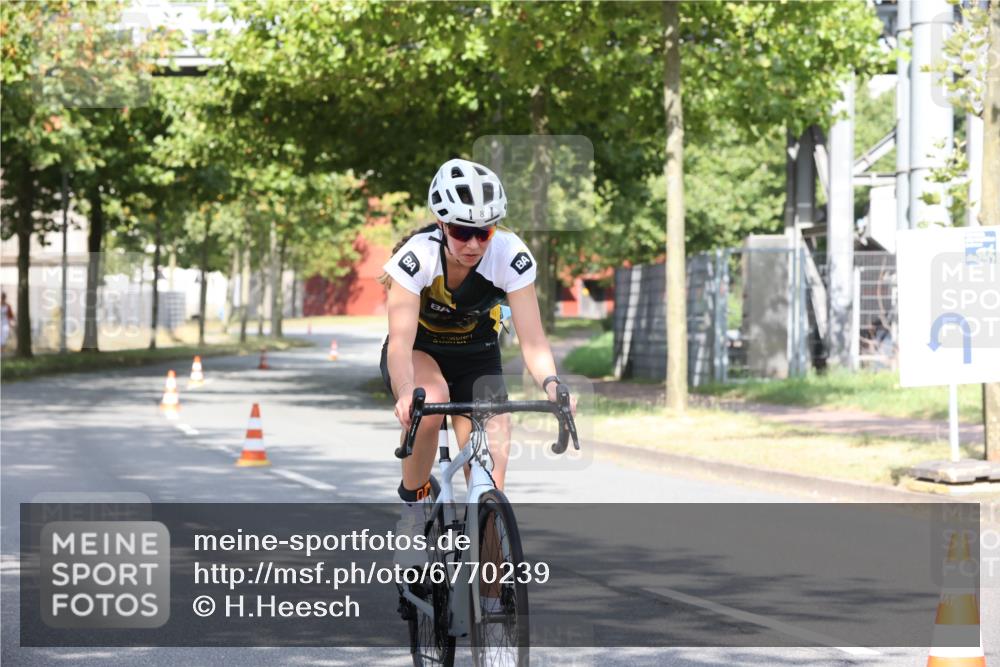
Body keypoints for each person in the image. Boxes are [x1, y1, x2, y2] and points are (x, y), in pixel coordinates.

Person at [379, 158, 570, 568]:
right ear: (442, 224)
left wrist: (553, 385)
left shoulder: (509, 255)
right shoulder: (416, 258)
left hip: (478, 357)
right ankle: (413, 512)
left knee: (489, 489)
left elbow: (533, 339)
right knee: (430, 401)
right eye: (462, 232)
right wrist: (403, 392)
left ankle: (490, 603)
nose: (473, 244)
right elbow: (399, 343)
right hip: (421, 354)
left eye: (482, 232)